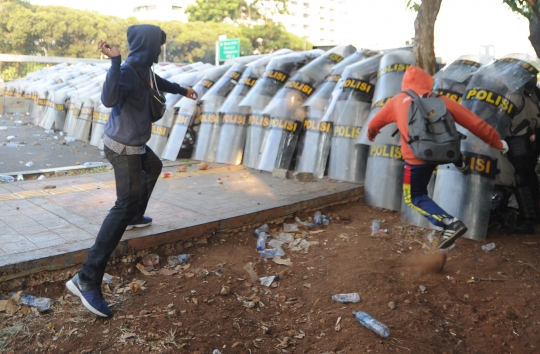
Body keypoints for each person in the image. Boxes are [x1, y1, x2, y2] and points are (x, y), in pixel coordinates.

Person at [66, 24, 198, 317]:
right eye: (158, 46)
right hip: (123, 147)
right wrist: (114, 62)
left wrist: (182, 90)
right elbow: (109, 99)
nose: (160, 50)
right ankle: (87, 277)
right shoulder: (127, 69)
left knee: (153, 166)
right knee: (122, 205)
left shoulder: (145, 68)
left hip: (136, 145)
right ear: (147, 46)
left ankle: (135, 215)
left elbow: (157, 82)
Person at [367, 65, 508, 249]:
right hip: (444, 152)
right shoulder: (441, 100)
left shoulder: (397, 101)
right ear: (427, 82)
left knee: (414, 197)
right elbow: (475, 123)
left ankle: (450, 223)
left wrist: (372, 135)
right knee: (449, 139)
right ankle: (460, 161)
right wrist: (498, 143)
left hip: (416, 160)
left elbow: (374, 124)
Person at [504, 76, 540, 234]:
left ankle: (528, 220)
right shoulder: (530, 93)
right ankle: (533, 216)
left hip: (518, 140)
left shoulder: (517, 95)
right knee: (529, 176)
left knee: (520, 178)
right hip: (525, 139)